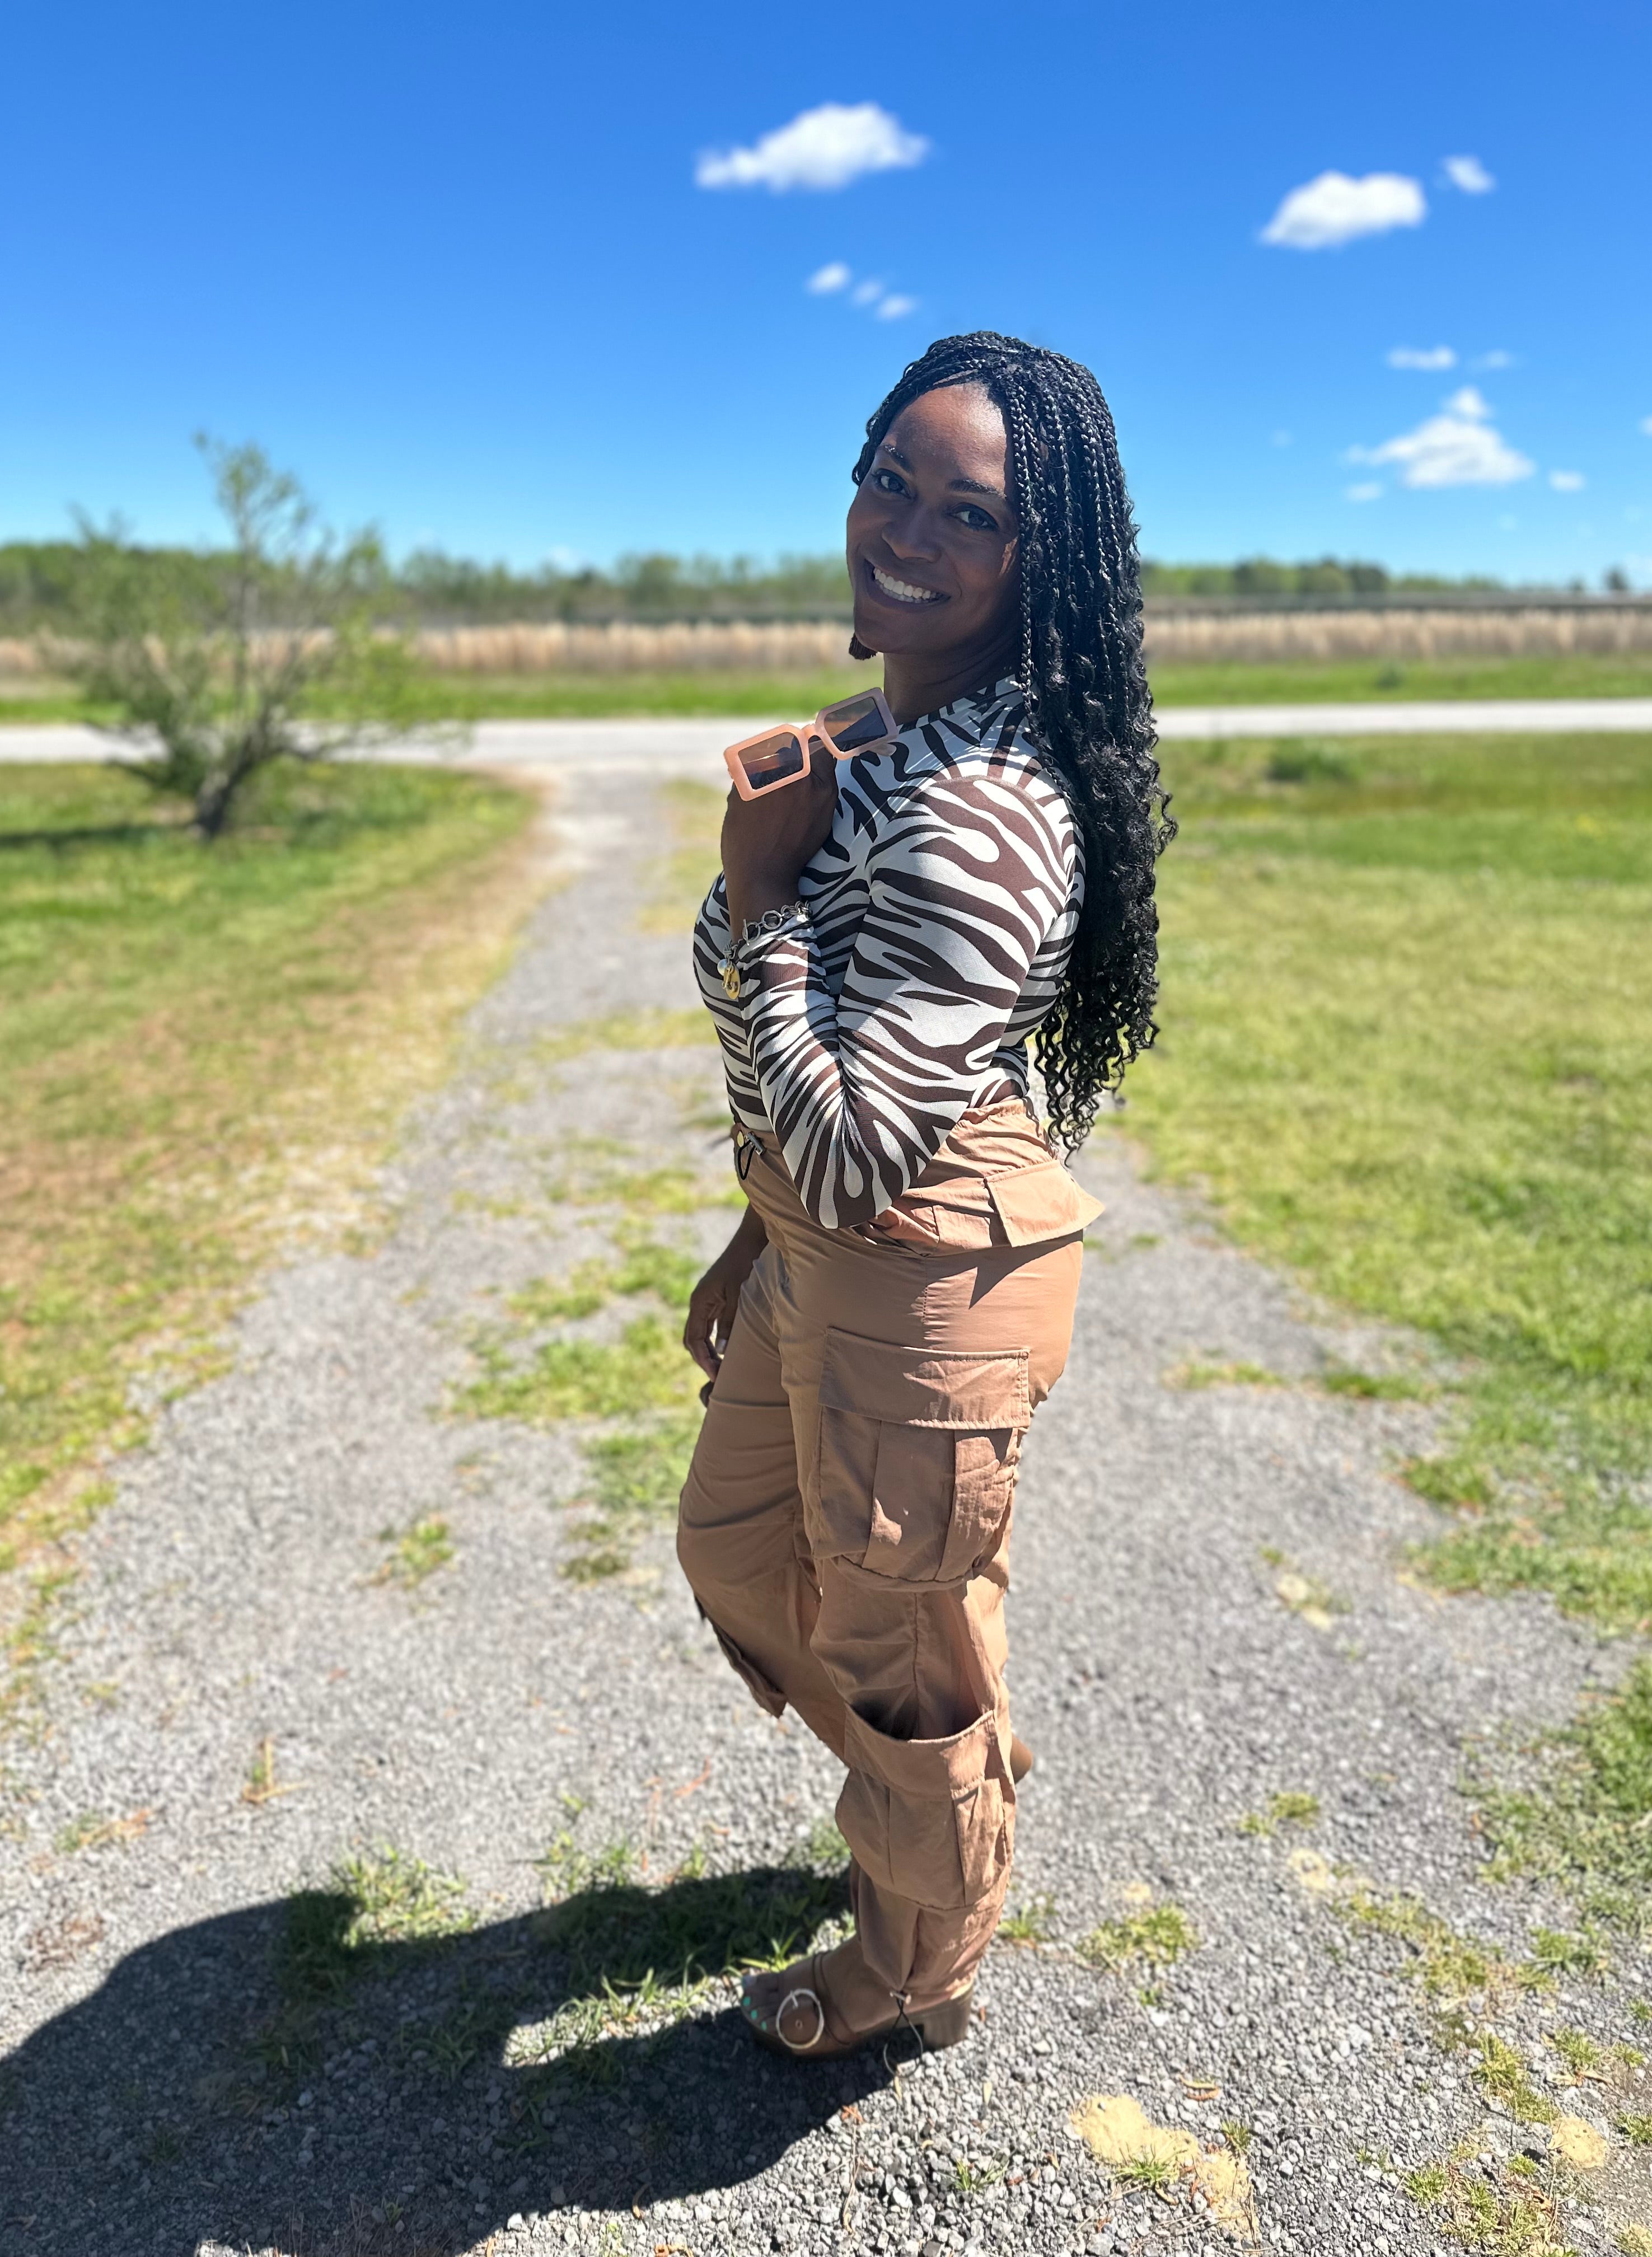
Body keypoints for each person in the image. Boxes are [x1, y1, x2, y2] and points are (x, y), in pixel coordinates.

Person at [677, 331, 1173, 2061]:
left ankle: (918, 1963)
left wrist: (764, 894)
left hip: (924, 1265)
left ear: (1039, 561)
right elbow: (824, 1105)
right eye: (893, 479)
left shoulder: (988, 809)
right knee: (740, 1552)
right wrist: (758, 1227)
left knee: (890, 1662)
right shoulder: (877, 728)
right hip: (822, 1232)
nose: (910, 530)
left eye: (972, 512)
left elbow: (867, 1131)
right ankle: (952, 1782)